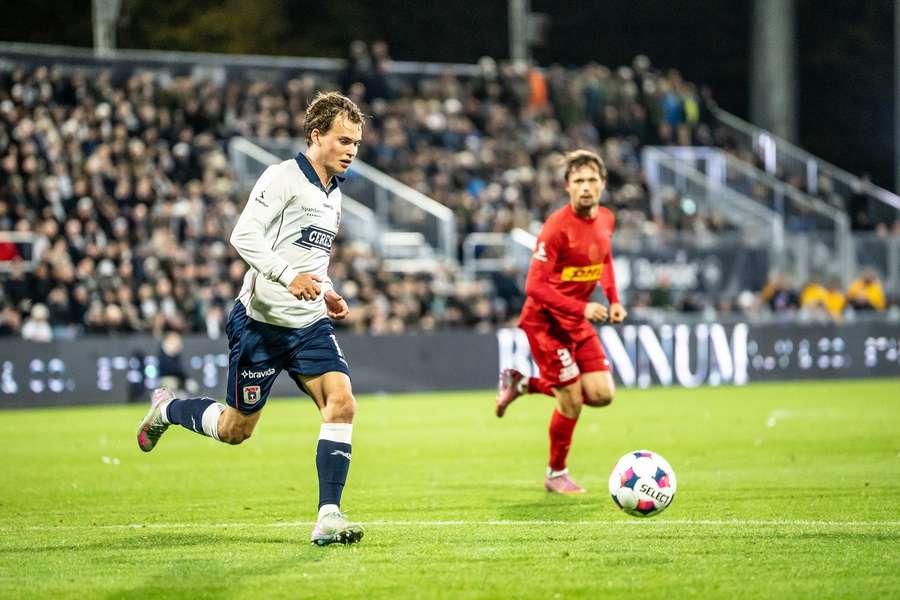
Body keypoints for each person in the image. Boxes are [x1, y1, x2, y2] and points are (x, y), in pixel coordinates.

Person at [137, 91, 365, 546]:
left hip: (308, 324)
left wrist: (328, 290)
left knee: (342, 402)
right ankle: (167, 409)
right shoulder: (282, 177)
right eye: (343, 140)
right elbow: (243, 235)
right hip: (258, 324)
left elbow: (309, 256)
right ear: (316, 136)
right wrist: (285, 275)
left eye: (356, 143)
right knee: (236, 429)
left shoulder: (333, 194)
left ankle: (328, 516)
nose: (351, 150)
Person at [495, 150, 627, 494]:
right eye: (578, 181)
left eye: (591, 180)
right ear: (567, 187)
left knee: (601, 394)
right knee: (572, 398)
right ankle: (556, 474)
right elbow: (534, 287)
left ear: (603, 184)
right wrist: (582, 309)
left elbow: (606, 258)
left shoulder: (607, 219)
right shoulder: (556, 228)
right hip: (545, 323)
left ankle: (522, 384)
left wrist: (613, 299)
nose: (585, 187)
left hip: (576, 322)